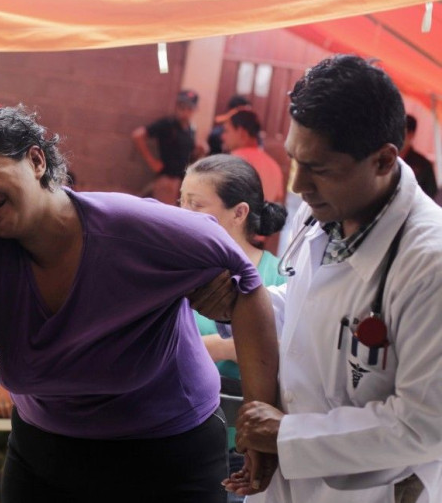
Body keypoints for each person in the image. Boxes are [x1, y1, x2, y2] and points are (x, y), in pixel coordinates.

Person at [0, 106, 279, 502]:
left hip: (167, 452)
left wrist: (257, 423)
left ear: (35, 160)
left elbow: (248, 283)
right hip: (44, 451)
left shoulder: (132, 229)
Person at [224, 55, 442, 503]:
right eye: (293, 160)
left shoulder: (429, 263)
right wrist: (244, 299)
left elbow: (422, 424)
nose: (299, 183)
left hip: (368, 491)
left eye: (319, 168)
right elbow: (308, 301)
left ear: (383, 161)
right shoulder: (325, 208)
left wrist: (289, 434)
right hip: (284, 483)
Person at [180, 154, 287, 500]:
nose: (181, 213)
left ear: (239, 213)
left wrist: (218, 344)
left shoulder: (277, 275)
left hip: (246, 444)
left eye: (195, 205)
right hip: (184, 435)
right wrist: (238, 344)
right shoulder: (175, 271)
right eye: (180, 201)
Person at [132, 89, 201, 205]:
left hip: (181, 181)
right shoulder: (167, 124)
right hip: (167, 179)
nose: (185, 112)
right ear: (177, 107)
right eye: (182, 107)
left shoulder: (190, 129)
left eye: (189, 108)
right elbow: (138, 135)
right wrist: (152, 162)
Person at [220, 109, 284, 205]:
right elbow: (278, 200)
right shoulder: (274, 167)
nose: (223, 136)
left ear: (242, 133)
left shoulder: (234, 161)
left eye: (226, 131)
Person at [400, 114, 438, 199]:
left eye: (402, 133)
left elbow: (431, 194)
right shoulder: (388, 158)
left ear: (411, 134)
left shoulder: (423, 165)